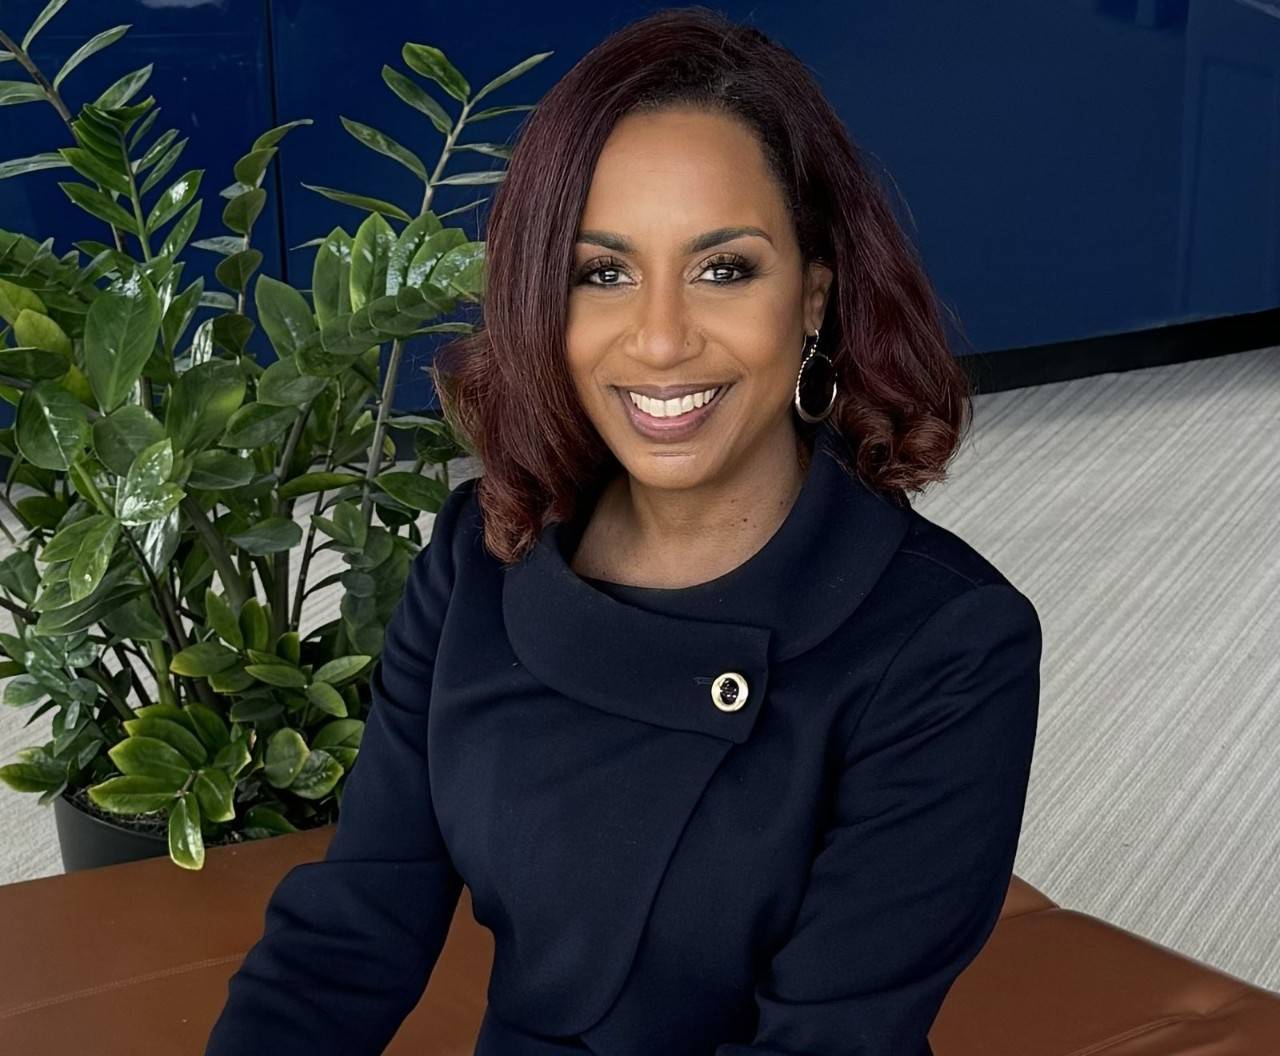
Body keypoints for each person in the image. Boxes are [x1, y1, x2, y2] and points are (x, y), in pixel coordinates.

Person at [205, 8, 1041, 1055]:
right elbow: (350, 934)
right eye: (600, 273)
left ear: (813, 298)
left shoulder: (947, 641)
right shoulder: (481, 551)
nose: (657, 338)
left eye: (722, 268)